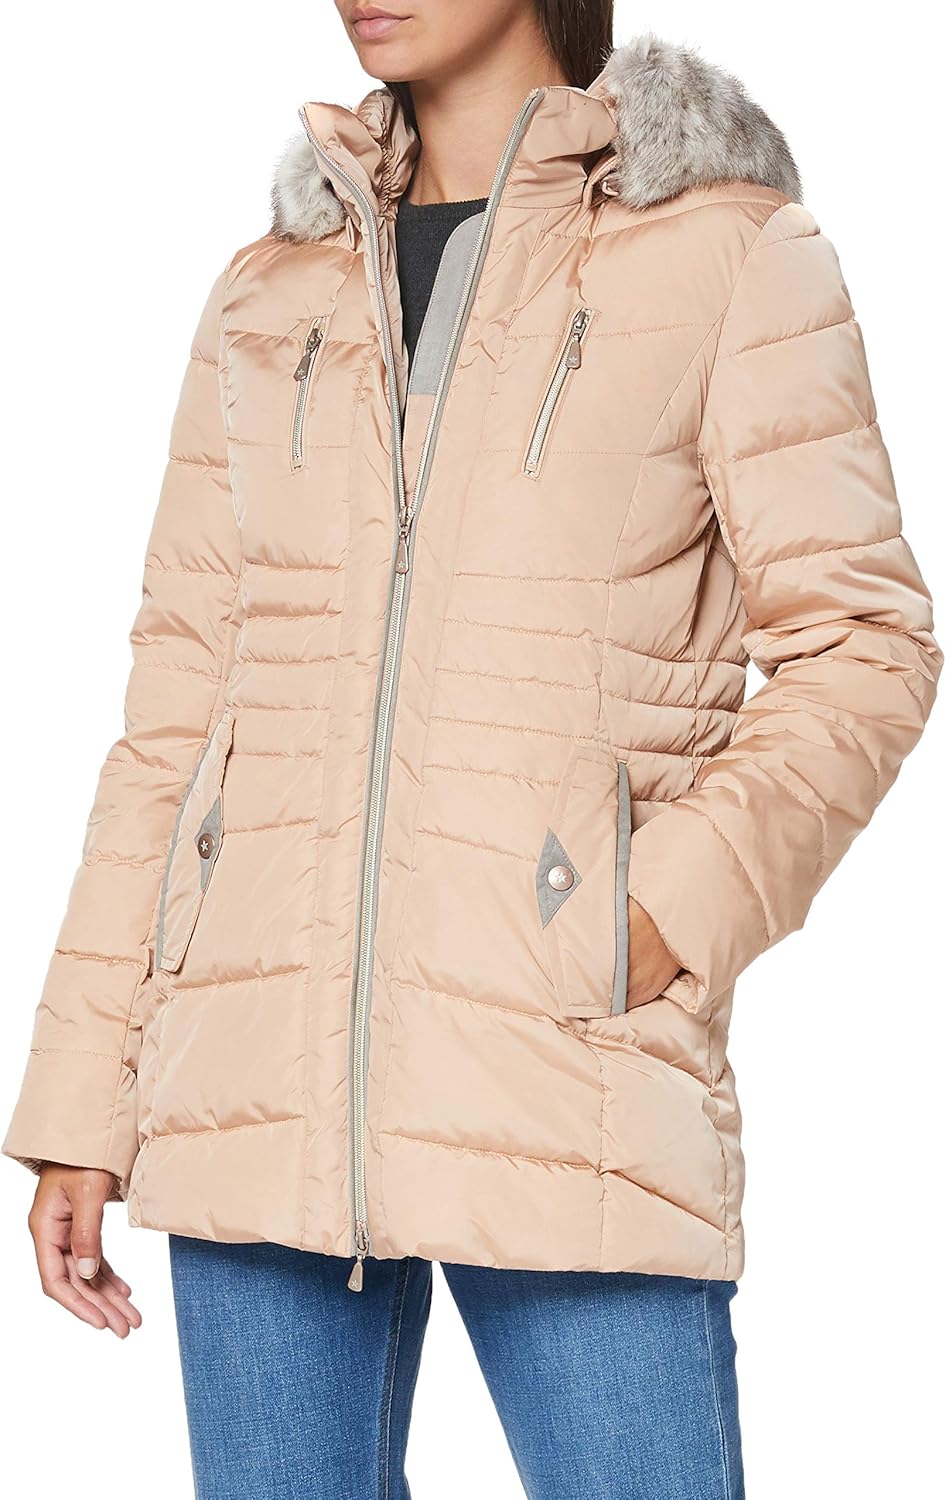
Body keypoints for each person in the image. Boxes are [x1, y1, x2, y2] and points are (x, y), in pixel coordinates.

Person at [5, 3, 939, 1497]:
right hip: (252, 1086)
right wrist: (83, 1102)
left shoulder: (722, 256)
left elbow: (862, 646)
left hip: (565, 1076)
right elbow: (176, 707)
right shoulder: (272, 291)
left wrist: (651, 914)